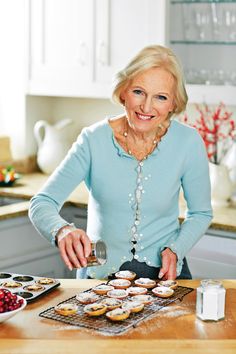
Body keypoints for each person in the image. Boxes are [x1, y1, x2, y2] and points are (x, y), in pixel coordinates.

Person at [29, 44, 213, 281]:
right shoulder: (93, 140)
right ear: (123, 91)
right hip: (100, 277)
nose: (146, 107)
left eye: (160, 97)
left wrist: (176, 249)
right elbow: (41, 203)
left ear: (173, 104)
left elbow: (200, 212)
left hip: (166, 275)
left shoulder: (187, 142)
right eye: (138, 91)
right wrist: (62, 230)